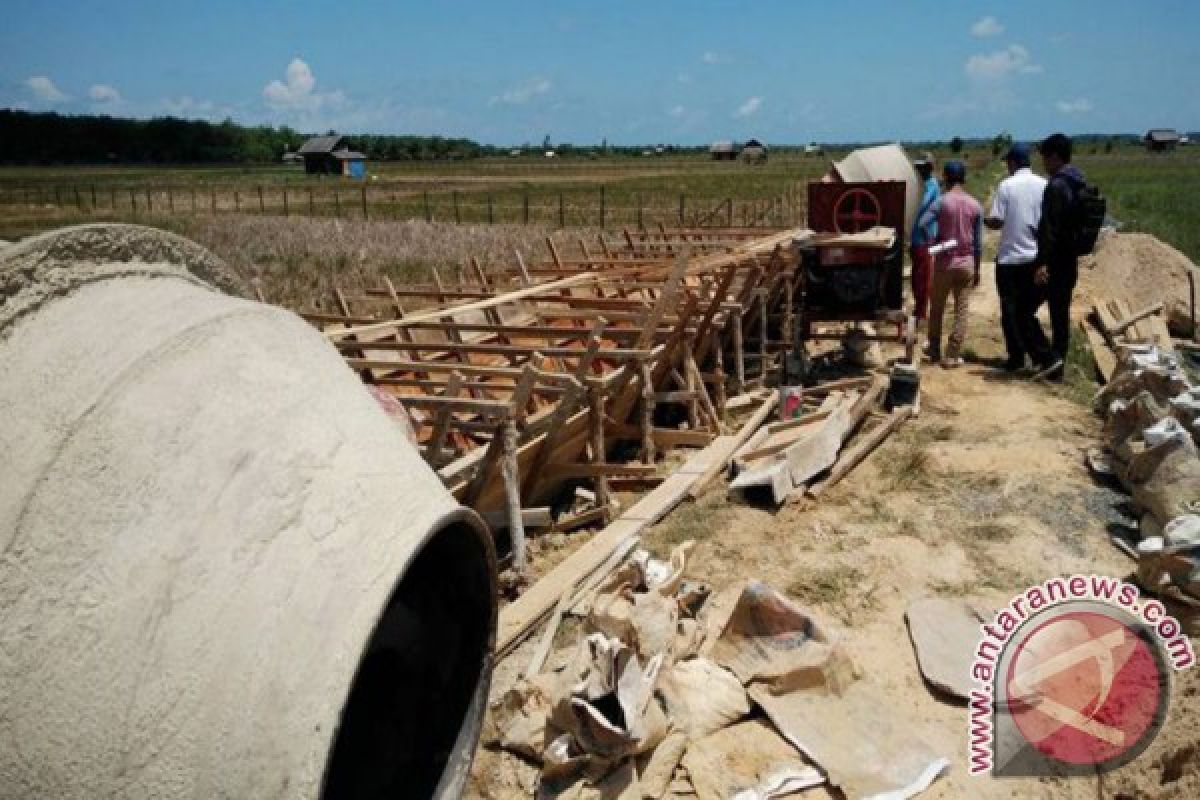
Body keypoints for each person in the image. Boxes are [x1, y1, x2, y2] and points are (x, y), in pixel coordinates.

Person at [1020, 133, 1087, 380]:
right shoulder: (1079, 183)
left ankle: (1047, 357)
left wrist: (1041, 264)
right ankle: (1056, 368)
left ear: (1056, 157)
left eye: (1046, 157)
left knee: (1023, 310)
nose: (1044, 163)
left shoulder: (1056, 186)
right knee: (1060, 316)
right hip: (1070, 261)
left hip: (1054, 263)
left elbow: (1049, 230)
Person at [985, 143, 1046, 372]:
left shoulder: (1006, 186)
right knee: (1026, 311)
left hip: (1010, 258)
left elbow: (997, 221)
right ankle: (1038, 356)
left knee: (1010, 311)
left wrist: (985, 221)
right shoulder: (1043, 185)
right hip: (1034, 258)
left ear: (1012, 163)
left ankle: (1017, 357)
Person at [926, 160, 982, 367]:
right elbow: (977, 243)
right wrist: (976, 270)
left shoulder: (941, 202)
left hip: (944, 263)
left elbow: (923, 224)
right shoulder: (975, 204)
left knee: (937, 307)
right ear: (963, 178)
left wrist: (936, 244)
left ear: (946, 178)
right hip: (966, 262)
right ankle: (952, 354)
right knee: (961, 310)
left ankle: (933, 350)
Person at [910, 151, 940, 322]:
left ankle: (921, 312)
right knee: (917, 274)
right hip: (917, 236)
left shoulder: (931, 185)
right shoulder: (922, 184)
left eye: (922, 167)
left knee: (924, 275)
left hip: (925, 236)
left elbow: (921, 205)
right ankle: (918, 307)